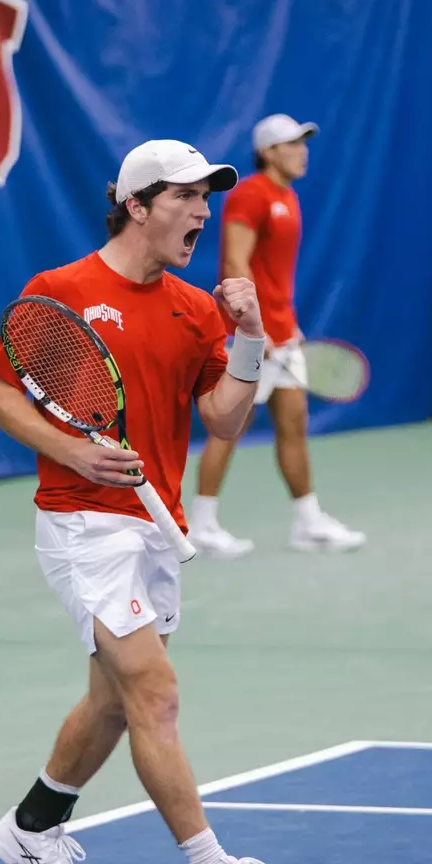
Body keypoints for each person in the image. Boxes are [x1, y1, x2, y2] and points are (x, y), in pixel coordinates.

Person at [0, 139, 305, 864]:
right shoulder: (61, 293)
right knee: (155, 693)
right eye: (186, 197)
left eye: (206, 197)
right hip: (83, 527)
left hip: (156, 527)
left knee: (116, 701)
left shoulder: (196, 310)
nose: (202, 211)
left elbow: (224, 422)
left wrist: (252, 336)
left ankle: (29, 829)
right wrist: (72, 449)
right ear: (136, 205)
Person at [187, 114, 366, 557]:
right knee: (230, 427)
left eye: (304, 143)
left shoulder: (288, 197)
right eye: (293, 144)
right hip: (255, 334)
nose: (303, 151)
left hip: (283, 332)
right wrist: (254, 328)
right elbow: (235, 264)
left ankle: (308, 522)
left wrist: (288, 324)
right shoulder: (250, 195)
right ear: (269, 151)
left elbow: (274, 275)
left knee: (293, 426)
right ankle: (200, 525)